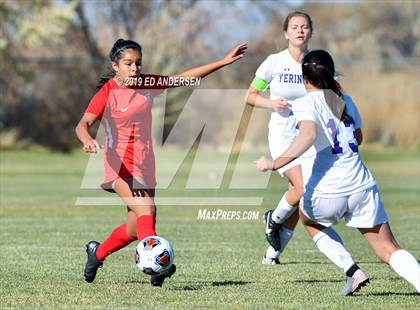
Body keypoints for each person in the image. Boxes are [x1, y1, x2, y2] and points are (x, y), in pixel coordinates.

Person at [75, 38, 247, 286]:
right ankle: (158, 269)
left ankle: (97, 253)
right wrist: (87, 140)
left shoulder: (147, 83)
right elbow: (83, 124)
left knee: (135, 229)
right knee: (147, 209)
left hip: (145, 164)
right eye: (128, 64)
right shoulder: (107, 93)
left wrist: (222, 61)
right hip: (119, 165)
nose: (135, 69)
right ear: (115, 65)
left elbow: (184, 78)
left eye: (138, 63)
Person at [255, 49, 420, 295]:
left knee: (307, 218)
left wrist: (275, 162)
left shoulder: (304, 103)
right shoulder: (345, 100)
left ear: (304, 78)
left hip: (328, 190)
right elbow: (359, 137)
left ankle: (353, 271)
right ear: (331, 74)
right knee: (388, 249)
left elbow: (308, 135)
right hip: (362, 185)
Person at [245, 11, 312, 264]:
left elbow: (332, 96)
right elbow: (250, 96)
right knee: (302, 188)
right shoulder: (274, 62)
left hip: (309, 136)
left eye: (304, 27)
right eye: (294, 27)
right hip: (282, 135)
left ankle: (272, 254)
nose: (299, 30)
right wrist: (271, 103)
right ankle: (272, 219)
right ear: (286, 33)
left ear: (310, 32)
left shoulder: (317, 63)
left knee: (299, 195)